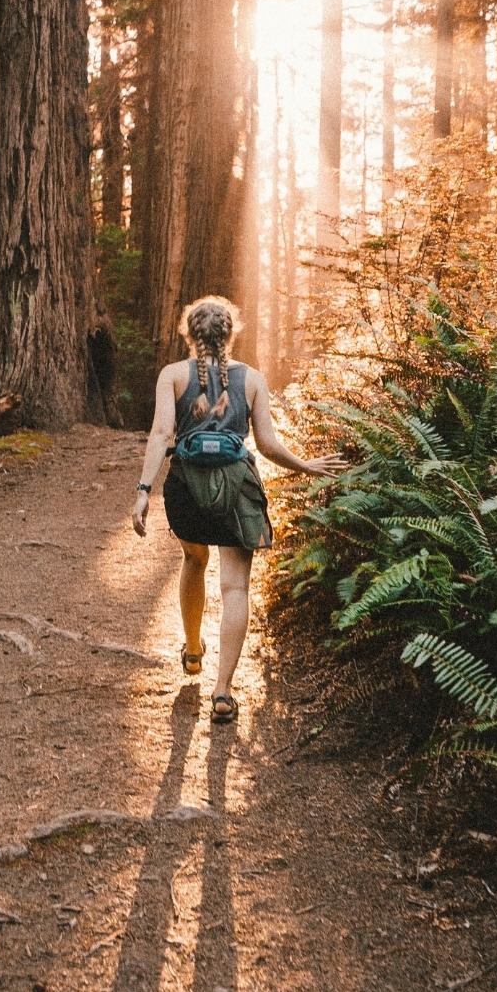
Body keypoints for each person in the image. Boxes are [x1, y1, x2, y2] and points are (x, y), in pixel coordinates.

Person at [131, 296, 346, 724]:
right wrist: (304, 464)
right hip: (237, 490)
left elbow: (160, 434)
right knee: (235, 588)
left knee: (193, 559)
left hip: (186, 490)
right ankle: (223, 691)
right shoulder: (251, 379)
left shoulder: (173, 375)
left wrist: (142, 491)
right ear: (230, 335)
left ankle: (193, 651)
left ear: (189, 335)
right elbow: (265, 444)